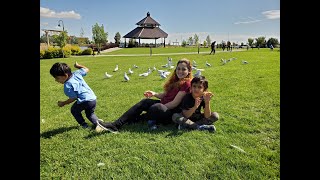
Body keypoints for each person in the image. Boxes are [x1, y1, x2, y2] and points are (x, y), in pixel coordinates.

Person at [97, 58, 193, 133]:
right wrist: (154, 93)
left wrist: (158, 106)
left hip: (171, 112)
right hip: (164, 106)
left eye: (183, 69)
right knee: (145, 102)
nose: (180, 71)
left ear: (189, 71)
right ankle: (116, 125)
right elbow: (165, 95)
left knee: (156, 107)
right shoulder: (176, 81)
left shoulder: (187, 84)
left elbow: (174, 104)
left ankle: (132, 119)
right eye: (178, 68)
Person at [49, 61, 103, 131]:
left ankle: (84, 125)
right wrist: (78, 66)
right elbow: (86, 69)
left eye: (57, 78)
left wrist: (63, 103)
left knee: (74, 110)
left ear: (65, 76)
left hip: (84, 101)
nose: (56, 80)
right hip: (92, 99)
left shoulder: (67, 85)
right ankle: (99, 124)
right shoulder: (77, 73)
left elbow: (73, 98)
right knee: (90, 114)